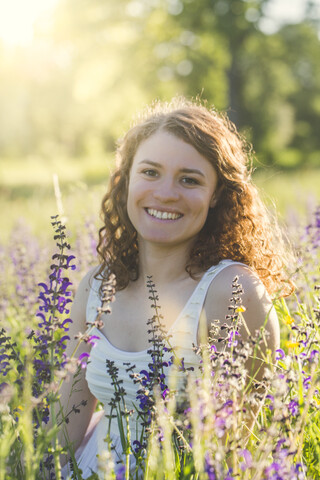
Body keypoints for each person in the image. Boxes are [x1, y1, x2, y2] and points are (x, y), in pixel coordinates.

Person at [60, 97, 291, 478]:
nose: (166, 193)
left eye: (189, 179)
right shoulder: (96, 286)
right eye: (150, 172)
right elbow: (65, 425)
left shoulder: (232, 291)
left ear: (216, 194)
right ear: (126, 179)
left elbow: (238, 447)